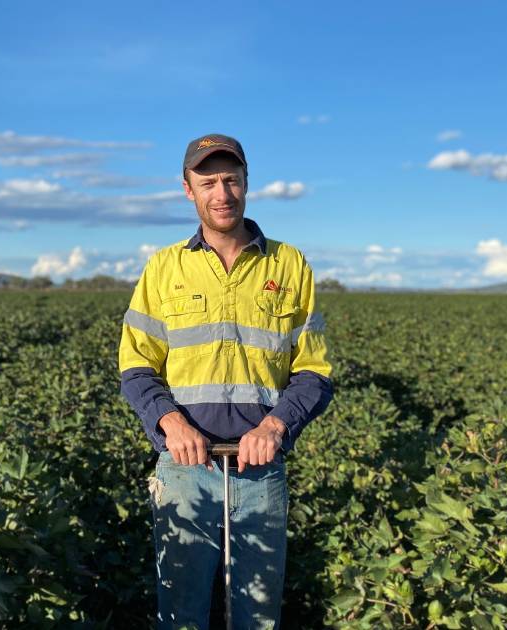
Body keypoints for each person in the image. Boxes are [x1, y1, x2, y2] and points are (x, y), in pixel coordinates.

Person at [118, 133, 333, 628]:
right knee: (181, 613)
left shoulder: (289, 264)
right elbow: (135, 367)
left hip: (260, 472)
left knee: (257, 617)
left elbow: (314, 371)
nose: (222, 193)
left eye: (231, 180)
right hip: (184, 470)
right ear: (187, 189)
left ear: (246, 184)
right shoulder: (164, 267)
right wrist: (170, 423)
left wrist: (275, 428)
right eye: (208, 181)